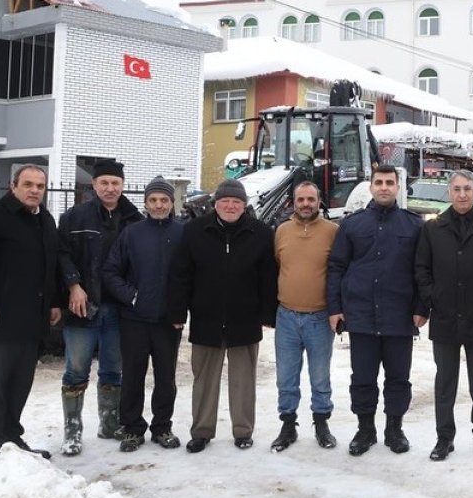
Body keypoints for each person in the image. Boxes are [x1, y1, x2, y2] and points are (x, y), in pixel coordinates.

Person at [168, 178, 277, 453]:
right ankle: (202, 431)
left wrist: (267, 313)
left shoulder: (261, 233)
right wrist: (178, 311)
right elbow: (181, 275)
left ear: (244, 205)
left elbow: (268, 277)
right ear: (215, 204)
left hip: (245, 317)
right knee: (204, 379)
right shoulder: (194, 231)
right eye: (225, 201)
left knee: (244, 379)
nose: (230, 206)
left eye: (236, 202)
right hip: (207, 317)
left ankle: (243, 430)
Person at [0, 164, 62, 457]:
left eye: (40, 186)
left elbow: (49, 266)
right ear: (13, 186)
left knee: (19, 384)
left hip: (30, 321)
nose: (34, 191)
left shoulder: (45, 219)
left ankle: (12, 437)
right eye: (28, 184)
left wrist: (53, 302)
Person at [327, 166, 427, 456]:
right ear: (370, 187)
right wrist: (335, 308)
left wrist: (422, 308)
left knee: (398, 378)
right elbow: (336, 268)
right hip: (361, 316)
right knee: (363, 379)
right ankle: (365, 429)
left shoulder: (414, 226)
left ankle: (394, 429)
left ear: (398, 187)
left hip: (400, 316)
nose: (384, 187)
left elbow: (422, 271)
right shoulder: (352, 225)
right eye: (379, 182)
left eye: (390, 183)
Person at [414, 170, 473, 462]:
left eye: (467, 189)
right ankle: (444, 438)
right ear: (448, 192)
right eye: (456, 189)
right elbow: (422, 269)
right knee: (445, 381)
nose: (462, 194)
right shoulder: (434, 228)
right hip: (444, 317)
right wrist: (433, 297)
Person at [57, 159, 143, 456]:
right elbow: (62, 255)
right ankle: (73, 429)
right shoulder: (75, 217)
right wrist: (73, 285)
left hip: (119, 309)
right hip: (83, 307)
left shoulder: (134, 219)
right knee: (76, 368)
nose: (110, 188)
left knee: (112, 370)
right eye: (104, 183)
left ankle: (109, 422)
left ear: (123, 185)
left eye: (115, 183)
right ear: (94, 185)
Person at [101, 176, 185, 452]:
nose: (158, 205)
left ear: (172, 203)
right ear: (146, 203)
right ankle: (133, 428)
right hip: (134, 319)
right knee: (133, 376)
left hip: (167, 321)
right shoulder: (132, 233)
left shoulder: (182, 233)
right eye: (153, 200)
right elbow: (110, 271)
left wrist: (181, 307)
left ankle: (162, 426)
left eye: (164, 200)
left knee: (165, 377)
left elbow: (192, 275)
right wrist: (131, 295)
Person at [270, 181, 340, 452]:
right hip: (286, 316)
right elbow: (278, 266)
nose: (306, 204)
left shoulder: (333, 232)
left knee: (320, 377)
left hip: (320, 318)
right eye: (301, 199)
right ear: (293, 202)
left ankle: (321, 423)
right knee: (286, 377)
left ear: (319, 201)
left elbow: (338, 271)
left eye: (311, 199)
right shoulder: (282, 231)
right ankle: (288, 425)